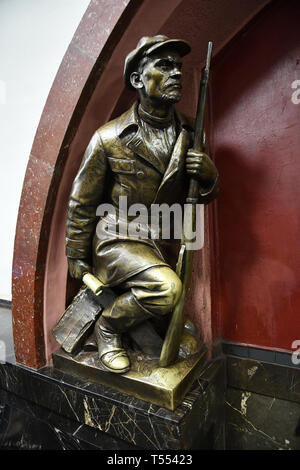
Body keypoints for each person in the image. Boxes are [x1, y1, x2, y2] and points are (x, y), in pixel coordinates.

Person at [66, 36, 219, 374]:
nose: (176, 74)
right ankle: (108, 328)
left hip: (162, 237)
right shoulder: (109, 137)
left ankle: (151, 331)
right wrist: (76, 257)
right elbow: (81, 202)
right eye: (164, 66)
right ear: (138, 80)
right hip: (117, 237)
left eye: (178, 67)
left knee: (179, 320)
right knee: (165, 290)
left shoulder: (192, 132)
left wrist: (209, 176)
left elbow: (203, 195)